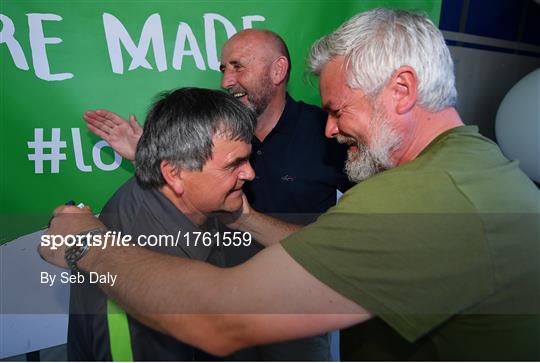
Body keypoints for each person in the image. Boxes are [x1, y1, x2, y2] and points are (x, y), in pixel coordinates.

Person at [41, 8, 540, 360]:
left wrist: (87, 245)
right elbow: (331, 253)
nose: (329, 130)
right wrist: (241, 213)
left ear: (403, 90)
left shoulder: (426, 199)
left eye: (337, 110)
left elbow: (220, 318)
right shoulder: (467, 166)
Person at [83, 28, 349, 361]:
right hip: (214, 307)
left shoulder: (329, 132)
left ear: (278, 70)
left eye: (238, 67)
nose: (226, 80)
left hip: (293, 313)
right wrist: (157, 157)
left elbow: (355, 247)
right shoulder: (207, 137)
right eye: (223, 69)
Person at [68, 87, 255, 360]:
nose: (250, 173)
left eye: (247, 158)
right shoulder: (133, 266)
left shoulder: (193, 198)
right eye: (234, 164)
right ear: (174, 173)